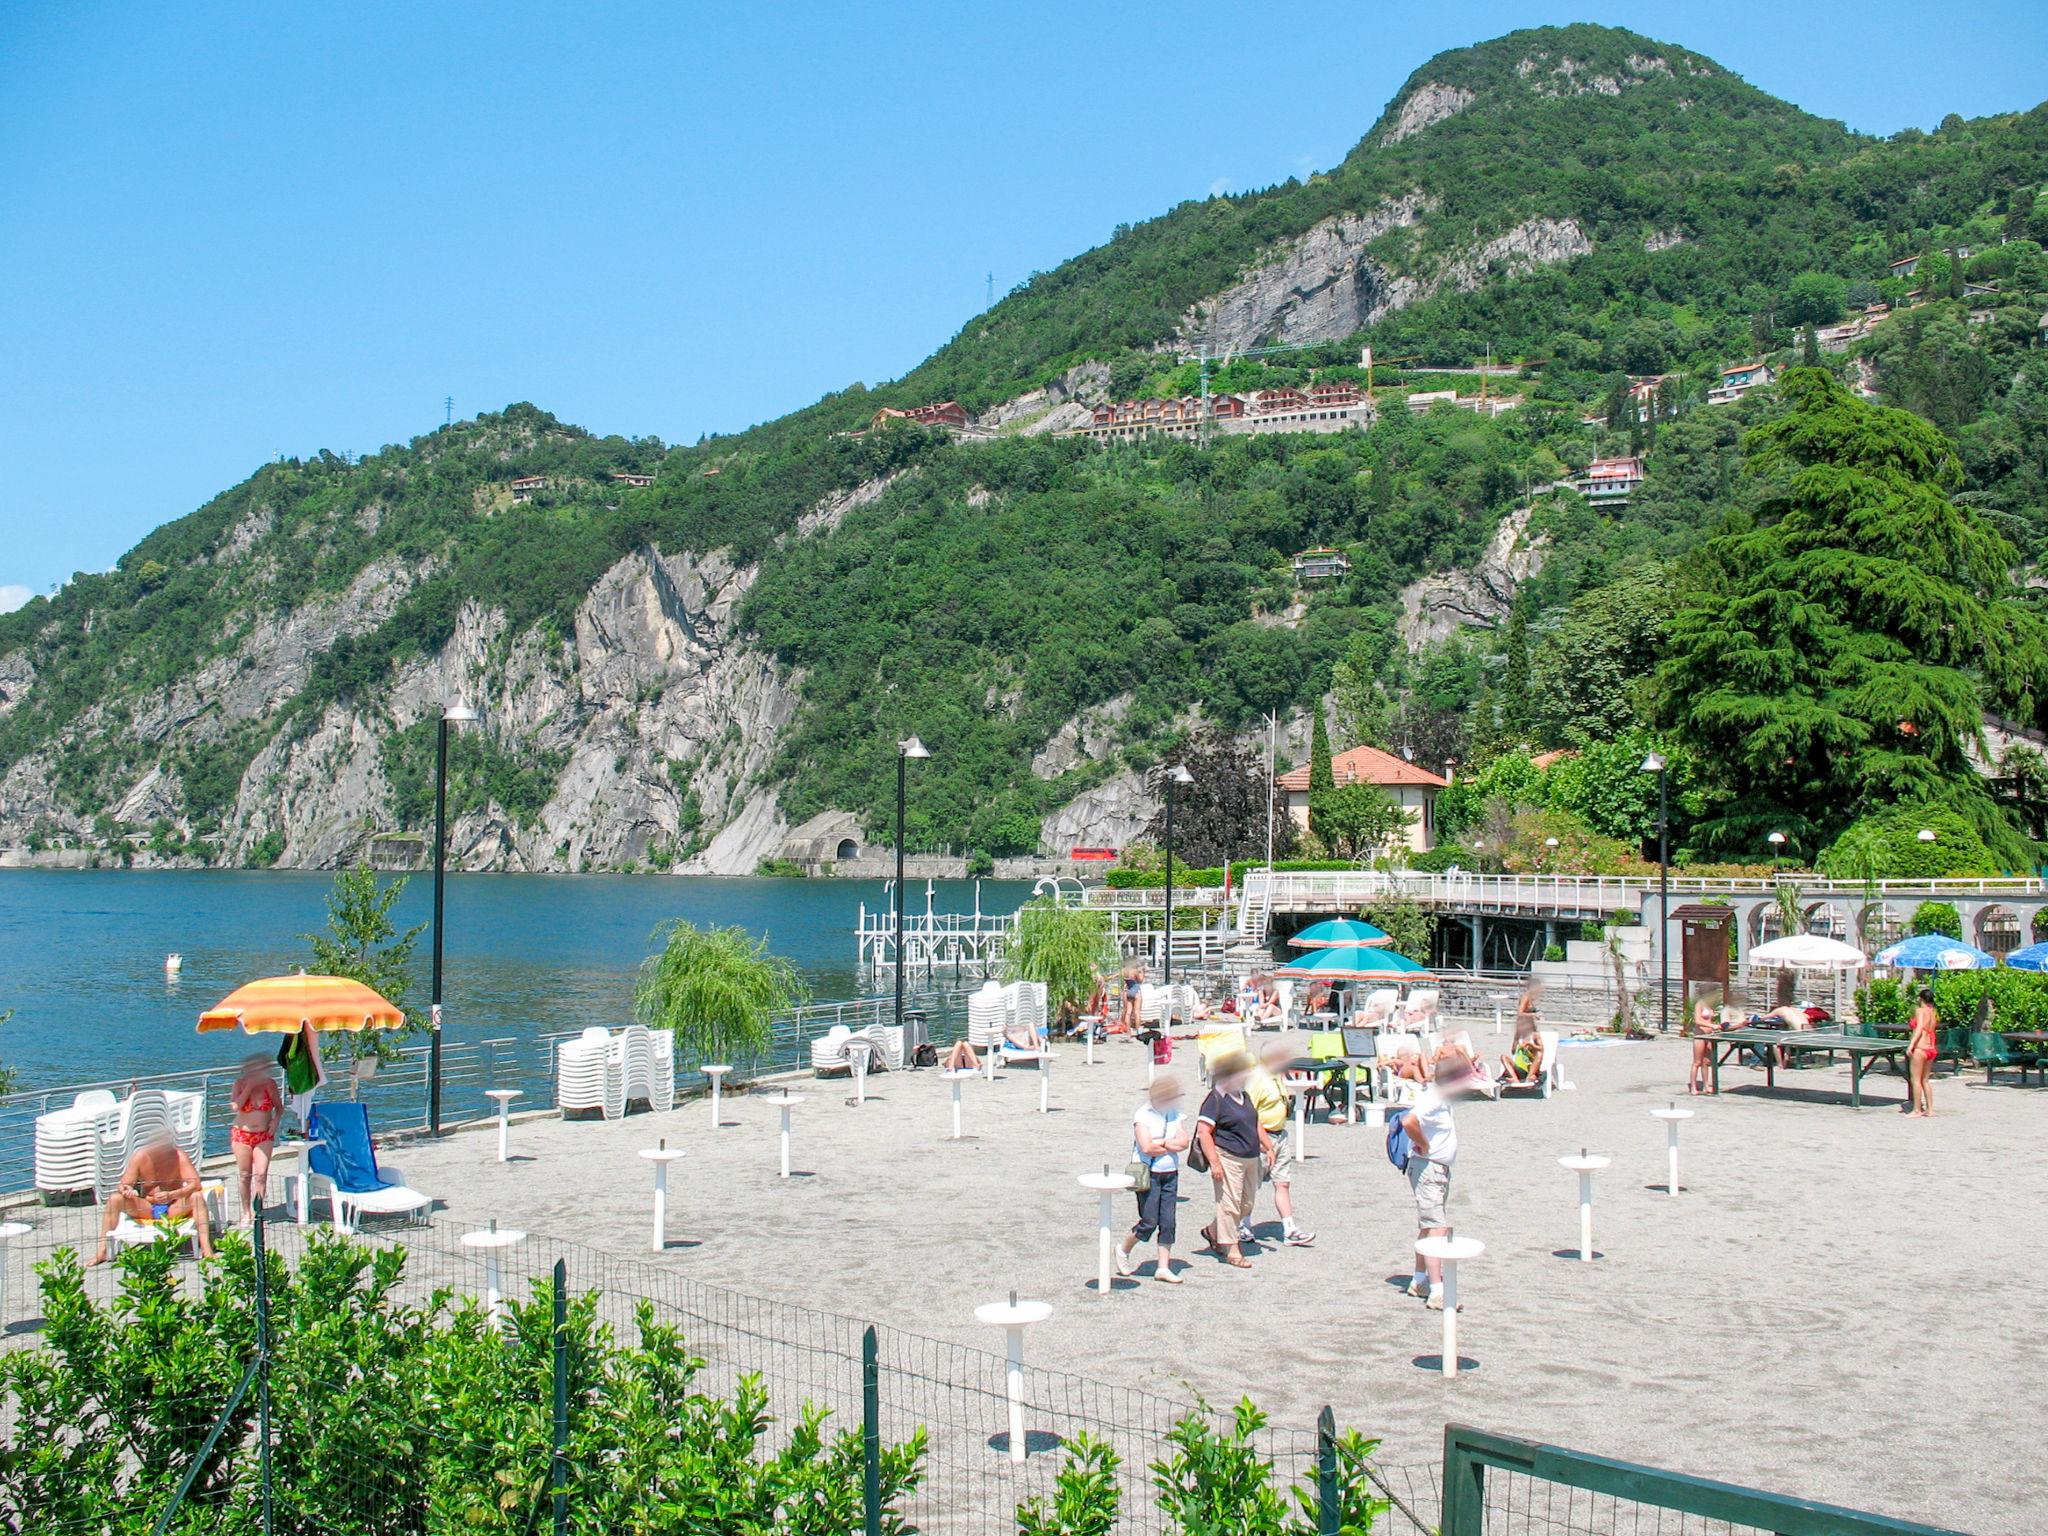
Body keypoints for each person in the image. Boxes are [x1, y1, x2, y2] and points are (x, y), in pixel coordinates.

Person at [1400, 1057, 1475, 1310]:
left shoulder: (1440, 1097)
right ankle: (1437, 1290)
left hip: (1436, 1168)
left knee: (1428, 1226)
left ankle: (1419, 1280)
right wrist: (1423, 1144)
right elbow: (1408, 1121)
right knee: (1437, 1228)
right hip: (1428, 1168)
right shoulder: (1433, 1098)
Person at [88, 1131, 213, 1266]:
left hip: (173, 1207)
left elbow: (196, 1184)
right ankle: (102, 1251)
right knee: (114, 1199)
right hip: (147, 1207)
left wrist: (172, 1195)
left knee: (197, 1196)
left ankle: (206, 1249)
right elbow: (124, 1184)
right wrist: (127, 1190)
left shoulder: (178, 1156)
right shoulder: (140, 1157)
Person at [1195, 1052, 1269, 1270]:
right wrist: (1215, 1163)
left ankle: (1213, 1231)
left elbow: (1254, 1122)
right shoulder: (1216, 1098)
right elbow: (1203, 1131)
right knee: (1229, 1204)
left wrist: (1268, 1145)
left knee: (1246, 1204)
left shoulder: (1243, 1095)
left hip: (1251, 1156)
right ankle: (1232, 1249)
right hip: (1228, 1156)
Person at [1117, 1075, 1189, 1283]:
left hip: (1170, 1172)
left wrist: (1163, 1143)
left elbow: (1184, 1141)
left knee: (1168, 1221)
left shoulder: (1174, 1114)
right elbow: (1146, 1146)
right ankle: (1123, 1249)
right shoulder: (1143, 1114)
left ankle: (1163, 1267)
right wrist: (1170, 1144)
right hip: (1149, 1174)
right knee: (1149, 1221)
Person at [1246, 1041, 1315, 1246]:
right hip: (1261, 1137)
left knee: (1283, 1182)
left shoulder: (1276, 1075)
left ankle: (1289, 1228)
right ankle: (1243, 1224)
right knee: (1249, 1186)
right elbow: (1249, 1112)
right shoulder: (1257, 1078)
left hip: (1280, 1135)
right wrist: (1261, 1142)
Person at [229, 1051, 282, 1225]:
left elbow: (279, 1107)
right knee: (245, 1175)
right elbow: (235, 1106)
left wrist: (275, 1121)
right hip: (242, 1135)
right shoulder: (240, 1084)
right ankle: (246, 1212)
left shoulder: (270, 1085)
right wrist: (250, 1087)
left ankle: (258, 1210)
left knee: (261, 1174)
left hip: (264, 1135)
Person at [1907, 986, 1939, 1118]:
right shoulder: (1933, 1012)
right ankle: (1930, 1109)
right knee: (1925, 1080)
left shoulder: (1920, 1011)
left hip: (1921, 1048)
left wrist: (1911, 1045)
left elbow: (1919, 1028)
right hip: (1931, 1048)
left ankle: (1917, 1109)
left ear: (1921, 999)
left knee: (1915, 1079)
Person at [1687, 994, 1724, 1095]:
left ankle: (1706, 1085)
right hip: (1700, 1036)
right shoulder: (1699, 1004)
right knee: (1697, 1062)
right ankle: (1693, 1087)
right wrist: (1712, 1025)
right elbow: (1698, 1021)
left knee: (1706, 1062)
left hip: (1709, 1035)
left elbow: (1709, 1019)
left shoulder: (1710, 1005)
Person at [1115, 963, 1144, 1035]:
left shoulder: (1123, 971)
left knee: (1128, 1013)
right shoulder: (1135, 971)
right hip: (1136, 990)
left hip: (1128, 990)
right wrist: (1142, 972)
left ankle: (1128, 1032)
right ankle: (1138, 1032)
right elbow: (1140, 980)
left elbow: (1115, 976)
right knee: (1137, 1012)